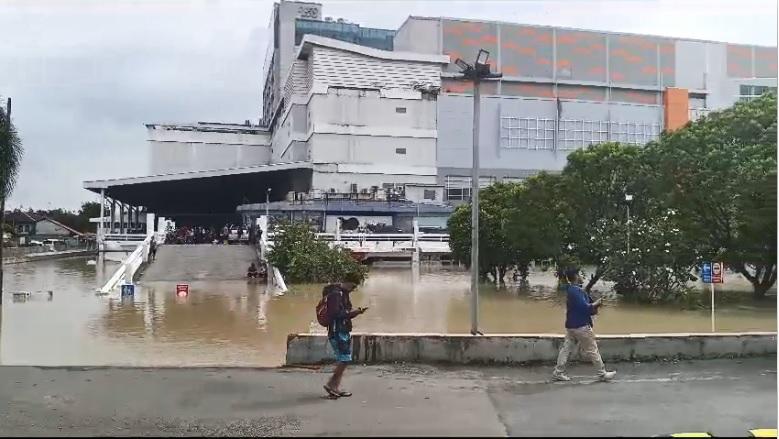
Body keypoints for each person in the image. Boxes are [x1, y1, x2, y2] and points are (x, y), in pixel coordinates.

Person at [552, 267, 616, 382]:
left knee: (566, 349)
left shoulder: (573, 290)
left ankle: (558, 372)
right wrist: (596, 303)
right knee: (592, 349)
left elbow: (584, 307)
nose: (581, 276)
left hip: (572, 326)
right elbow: (584, 308)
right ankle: (602, 374)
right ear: (576, 277)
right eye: (579, 274)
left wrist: (594, 305)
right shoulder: (576, 291)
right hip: (581, 326)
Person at [323, 282, 366, 398]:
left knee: (344, 359)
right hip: (338, 331)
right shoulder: (336, 294)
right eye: (353, 285)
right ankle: (331, 384)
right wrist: (353, 312)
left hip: (342, 330)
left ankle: (335, 387)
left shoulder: (342, 294)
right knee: (345, 359)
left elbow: (344, 313)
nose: (354, 288)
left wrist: (356, 312)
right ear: (348, 282)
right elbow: (336, 314)